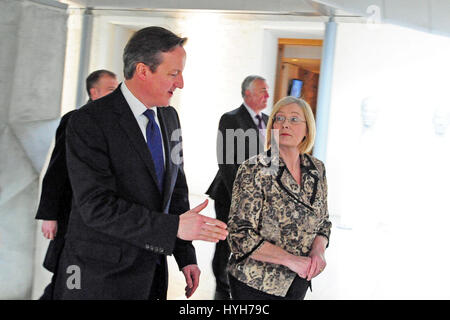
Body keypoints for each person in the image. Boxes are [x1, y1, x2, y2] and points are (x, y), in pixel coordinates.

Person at [52, 26, 228, 300]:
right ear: (143, 71)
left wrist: (185, 255)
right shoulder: (88, 122)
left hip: (152, 274)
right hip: (100, 277)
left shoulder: (170, 118)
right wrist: (172, 229)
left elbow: (176, 191)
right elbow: (96, 207)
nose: (180, 83)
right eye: (174, 73)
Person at [227, 96, 332, 300]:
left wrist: (318, 251)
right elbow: (240, 235)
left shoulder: (317, 169)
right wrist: (291, 260)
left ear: (307, 129)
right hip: (256, 284)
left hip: (298, 281)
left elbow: (323, 222)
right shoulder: (254, 168)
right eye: (279, 118)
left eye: (294, 119)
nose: (285, 124)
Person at [35, 69, 118, 300]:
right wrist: (49, 215)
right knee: (64, 276)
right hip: (69, 212)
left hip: (94, 217)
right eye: (111, 89)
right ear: (94, 92)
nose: (117, 94)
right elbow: (57, 169)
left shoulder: (115, 123)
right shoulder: (75, 119)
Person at [206, 75, 269, 300]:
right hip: (229, 193)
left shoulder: (269, 121)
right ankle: (222, 286)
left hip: (259, 198)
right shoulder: (231, 119)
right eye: (262, 91)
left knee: (249, 240)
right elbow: (226, 162)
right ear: (248, 93)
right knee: (226, 241)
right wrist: (242, 196)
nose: (267, 95)